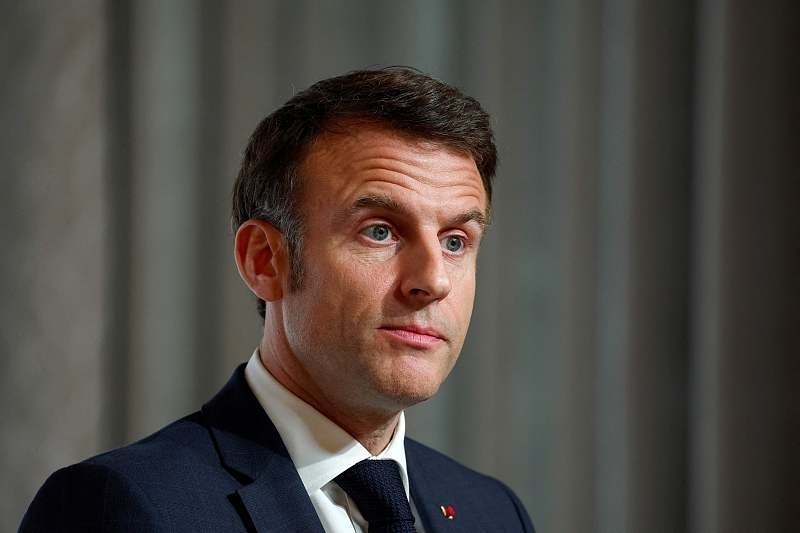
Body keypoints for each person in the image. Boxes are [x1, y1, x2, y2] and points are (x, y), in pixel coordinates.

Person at [20, 67, 535, 532]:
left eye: (455, 242)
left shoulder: (493, 512)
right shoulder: (119, 506)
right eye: (379, 231)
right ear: (265, 261)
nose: (433, 280)